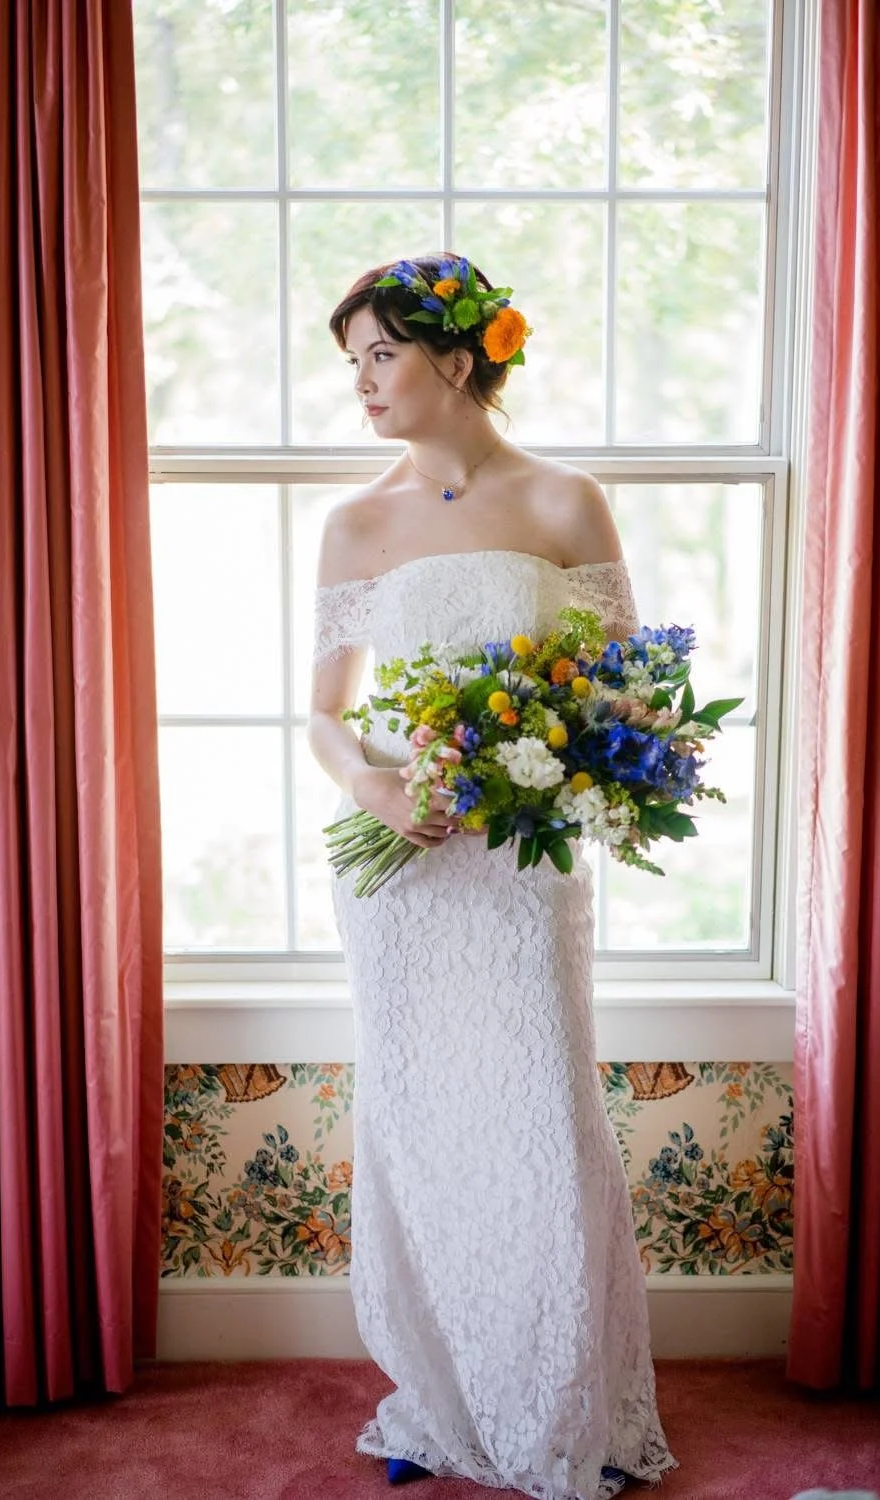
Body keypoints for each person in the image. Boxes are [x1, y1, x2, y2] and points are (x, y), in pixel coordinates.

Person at [307, 253, 678, 1499]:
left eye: (380, 355)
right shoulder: (355, 524)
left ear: (455, 360)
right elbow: (324, 719)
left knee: (538, 1118)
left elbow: (635, 696)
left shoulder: (568, 503)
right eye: (352, 358)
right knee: (418, 1121)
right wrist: (372, 785)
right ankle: (439, 1393)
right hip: (402, 876)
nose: (360, 382)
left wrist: (551, 759)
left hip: (522, 868)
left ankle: (565, 1403)